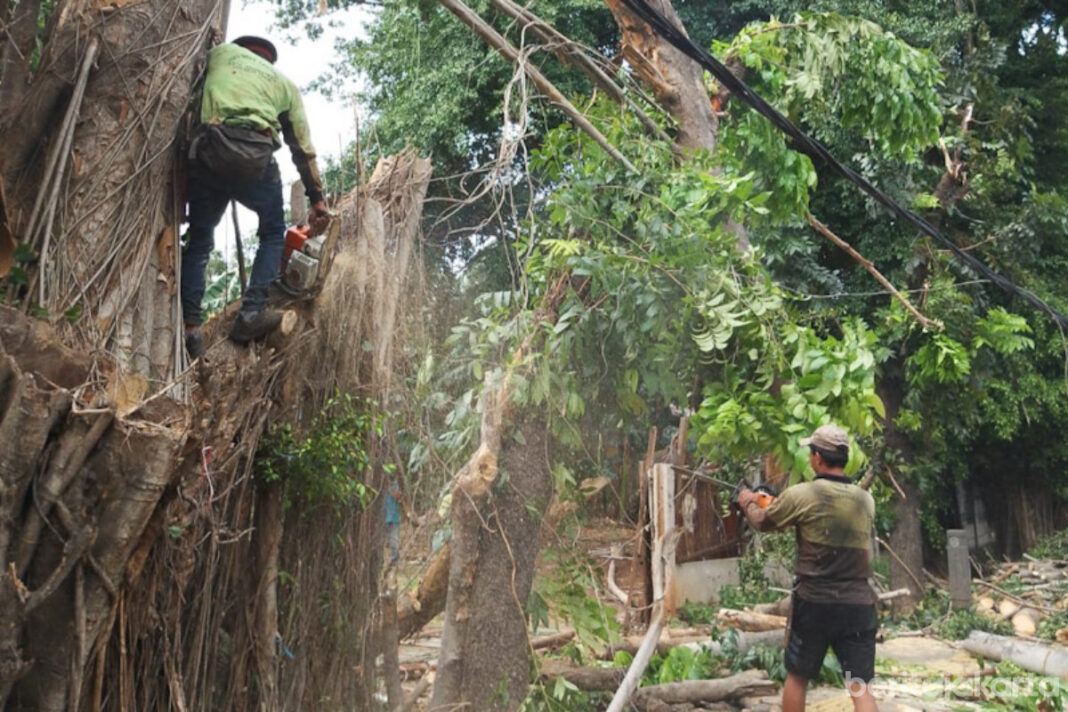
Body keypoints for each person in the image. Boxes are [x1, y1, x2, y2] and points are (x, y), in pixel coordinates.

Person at [181, 35, 329, 357]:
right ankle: (251, 314)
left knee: (201, 241)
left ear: (241, 51)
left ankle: (190, 329)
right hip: (255, 159)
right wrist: (317, 198)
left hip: (210, 152)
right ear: (269, 61)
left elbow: (192, 100)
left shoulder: (218, 54)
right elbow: (302, 148)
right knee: (273, 234)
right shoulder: (284, 84)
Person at [735, 424, 879, 712]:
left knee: (798, 677)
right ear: (844, 459)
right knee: (858, 685)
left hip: (815, 605)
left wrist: (748, 500)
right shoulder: (866, 501)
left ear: (816, 458)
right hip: (859, 604)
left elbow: (764, 522)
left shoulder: (802, 494)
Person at [384, 479, 401, 567]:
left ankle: (394, 561)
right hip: (382, 517)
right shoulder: (378, 482)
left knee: (394, 540)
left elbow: (398, 496)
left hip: (393, 517)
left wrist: (390, 488)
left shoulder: (394, 484)